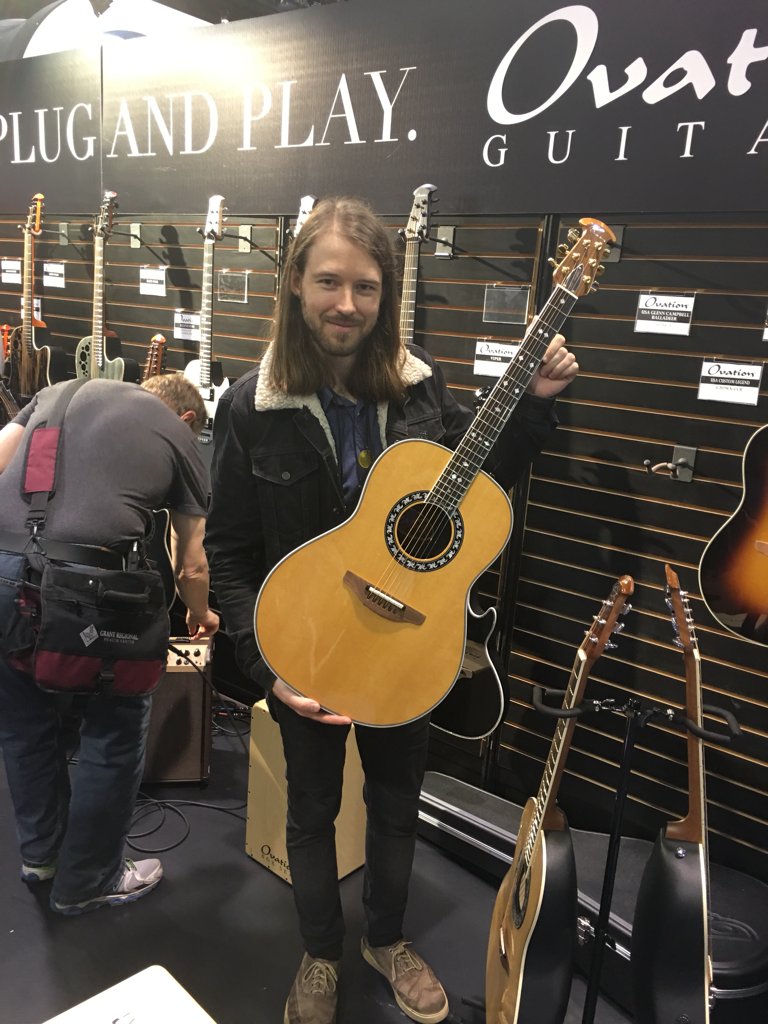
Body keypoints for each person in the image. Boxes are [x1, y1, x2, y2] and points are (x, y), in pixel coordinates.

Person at [205, 196, 579, 1024]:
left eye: (366, 287)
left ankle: (387, 938)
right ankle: (320, 953)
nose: (347, 304)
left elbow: (466, 500)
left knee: (397, 805)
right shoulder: (248, 406)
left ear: (386, 294)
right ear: (296, 283)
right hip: (305, 647)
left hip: (409, 640)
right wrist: (264, 668)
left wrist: (538, 405)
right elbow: (227, 554)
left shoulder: (419, 392)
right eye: (330, 282)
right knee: (310, 811)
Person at [0, 374, 219, 915]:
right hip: (87, 592)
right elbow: (192, 560)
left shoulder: (60, 392)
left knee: (24, 726)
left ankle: (42, 859)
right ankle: (90, 880)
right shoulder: (180, 435)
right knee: (115, 732)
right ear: (190, 418)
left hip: (4, 574)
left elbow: (3, 454)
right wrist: (200, 613)